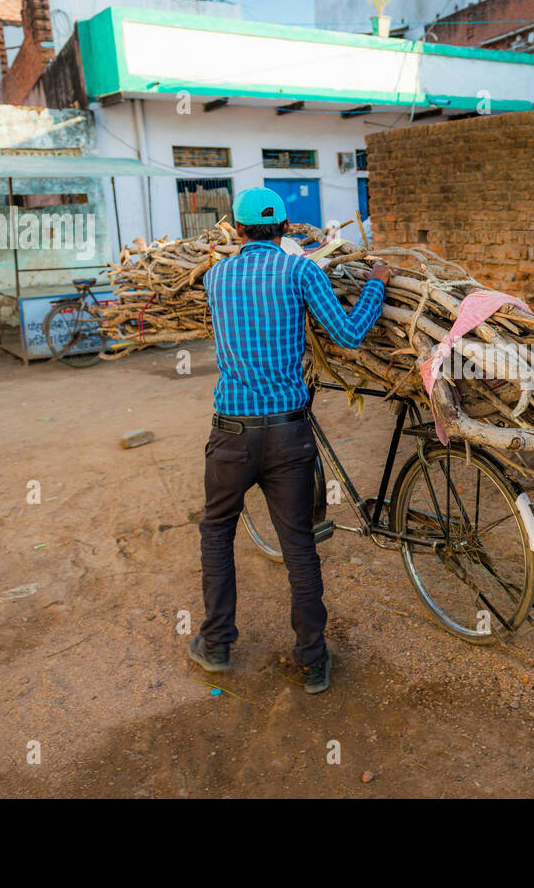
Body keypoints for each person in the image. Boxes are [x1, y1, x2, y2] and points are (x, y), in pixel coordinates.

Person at [188, 187, 392, 694]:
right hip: (287, 433)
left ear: (236, 230)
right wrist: (377, 286)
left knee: (216, 533)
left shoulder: (215, 277)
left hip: (231, 434)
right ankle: (312, 659)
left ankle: (216, 644)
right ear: (285, 228)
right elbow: (347, 335)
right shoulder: (301, 272)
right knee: (299, 545)